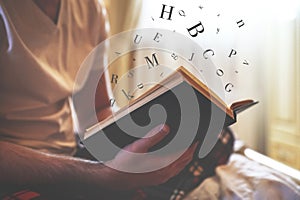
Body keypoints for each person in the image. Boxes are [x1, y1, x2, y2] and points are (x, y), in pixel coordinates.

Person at [0, 0, 197, 198]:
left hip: (69, 155)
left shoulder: (89, 7)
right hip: (18, 170)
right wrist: (101, 175)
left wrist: (138, 137)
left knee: (216, 140)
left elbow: (97, 110)